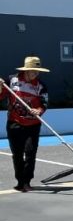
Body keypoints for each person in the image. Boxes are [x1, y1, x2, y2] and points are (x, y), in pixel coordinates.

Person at [0, 56, 50, 192]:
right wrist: (0, 86)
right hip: (14, 123)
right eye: (33, 70)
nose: (35, 73)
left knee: (30, 153)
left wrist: (38, 110)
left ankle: (27, 181)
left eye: (37, 71)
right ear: (26, 70)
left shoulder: (41, 86)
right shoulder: (11, 81)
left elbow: (44, 104)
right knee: (17, 154)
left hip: (33, 125)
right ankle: (20, 181)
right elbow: (0, 96)